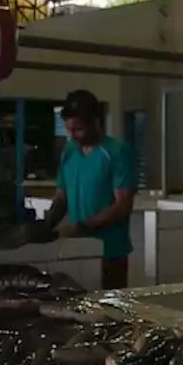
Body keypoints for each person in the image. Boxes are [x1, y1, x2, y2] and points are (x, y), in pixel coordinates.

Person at [43, 89, 137, 290]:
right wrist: (45, 224)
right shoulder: (70, 152)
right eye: (69, 130)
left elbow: (122, 206)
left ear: (95, 122)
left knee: (111, 312)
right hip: (79, 249)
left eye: (79, 130)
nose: (73, 136)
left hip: (110, 252)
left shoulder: (116, 152)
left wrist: (84, 226)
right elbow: (62, 196)